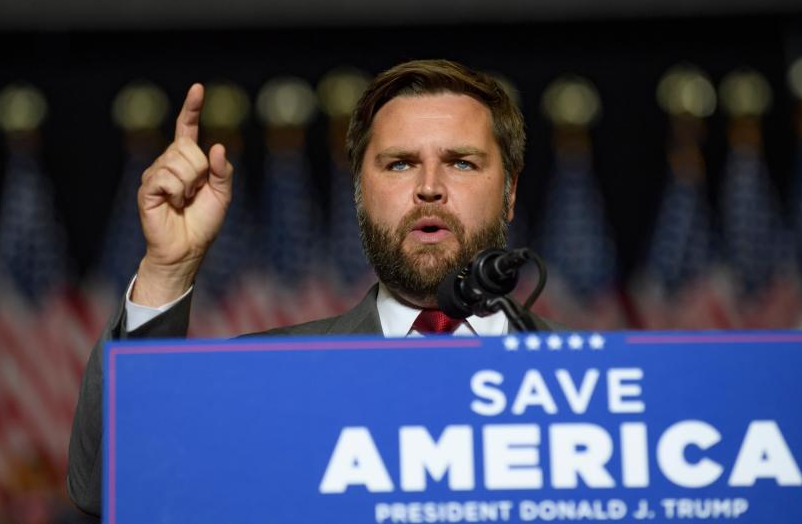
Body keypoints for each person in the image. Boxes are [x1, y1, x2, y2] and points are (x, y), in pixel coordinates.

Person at [66, 59, 557, 516]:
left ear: (510, 194)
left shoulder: (589, 376)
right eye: (400, 164)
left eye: (462, 163)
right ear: (360, 195)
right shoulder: (264, 378)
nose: (430, 186)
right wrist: (167, 270)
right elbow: (107, 487)